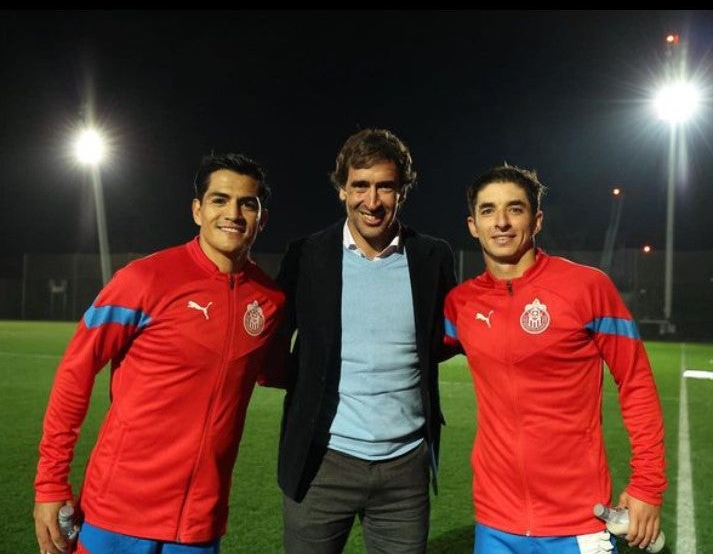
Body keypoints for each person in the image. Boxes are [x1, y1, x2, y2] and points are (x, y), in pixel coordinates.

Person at [34, 152, 286, 554]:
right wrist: (51, 481)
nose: (233, 213)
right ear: (197, 210)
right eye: (220, 200)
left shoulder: (269, 300)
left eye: (247, 203)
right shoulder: (144, 279)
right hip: (116, 512)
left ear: (262, 218)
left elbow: (274, 372)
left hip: (199, 523)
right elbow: (75, 373)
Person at [444, 163, 667, 554]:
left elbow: (636, 383)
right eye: (487, 211)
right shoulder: (459, 304)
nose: (501, 222)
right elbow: (406, 357)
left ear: (537, 219)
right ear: (472, 225)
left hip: (579, 521)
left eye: (515, 209)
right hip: (495, 521)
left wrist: (648, 483)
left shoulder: (587, 287)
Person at [276, 127, 457, 553]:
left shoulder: (434, 257)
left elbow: (448, 336)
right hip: (322, 462)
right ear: (342, 189)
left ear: (403, 192)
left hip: (405, 467)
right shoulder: (306, 255)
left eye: (385, 187)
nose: (372, 202)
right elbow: (269, 337)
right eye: (360, 185)